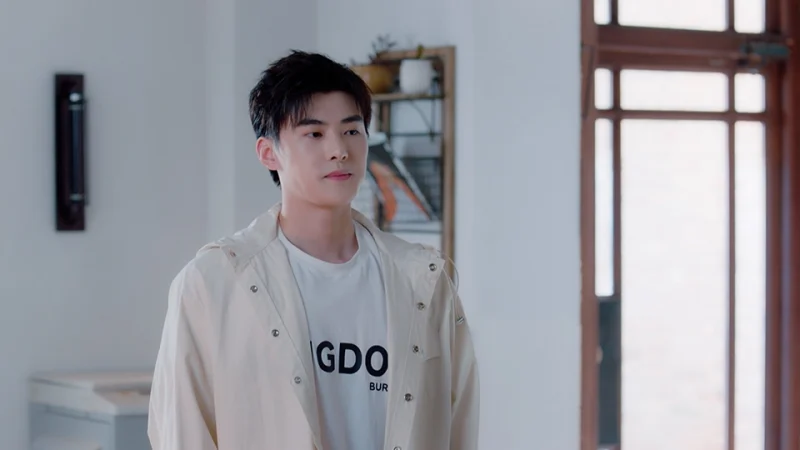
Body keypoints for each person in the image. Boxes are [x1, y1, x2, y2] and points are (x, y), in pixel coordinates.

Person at [147, 50, 479, 450]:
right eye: (315, 134)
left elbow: (458, 424)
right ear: (268, 153)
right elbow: (182, 432)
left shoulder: (425, 280)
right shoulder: (211, 283)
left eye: (352, 131)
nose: (339, 149)